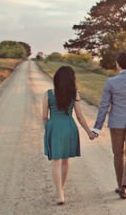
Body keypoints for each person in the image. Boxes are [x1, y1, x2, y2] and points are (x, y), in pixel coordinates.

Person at [90, 52, 126, 199]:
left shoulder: (110, 82)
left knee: (118, 154)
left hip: (116, 123)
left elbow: (104, 106)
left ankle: (120, 185)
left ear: (117, 64)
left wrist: (97, 128)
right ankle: (125, 186)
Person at [43, 65, 94, 205]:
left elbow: (43, 117)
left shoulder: (48, 94)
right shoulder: (74, 94)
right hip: (69, 126)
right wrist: (89, 132)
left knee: (56, 161)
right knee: (65, 161)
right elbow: (80, 117)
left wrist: (47, 129)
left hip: (54, 126)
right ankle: (61, 190)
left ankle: (59, 193)